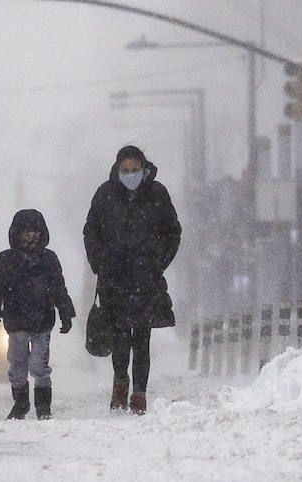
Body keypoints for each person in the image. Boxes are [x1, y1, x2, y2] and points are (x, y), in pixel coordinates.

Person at [83, 145, 181, 415]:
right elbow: (91, 231)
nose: (130, 175)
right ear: (117, 169)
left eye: (134, 170)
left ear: (143, 168)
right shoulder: (105, 194)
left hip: (145, 279)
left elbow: (172, 231)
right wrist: (100, 262)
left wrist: (157, 262)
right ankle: (120, 384)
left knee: (142, 339)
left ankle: (139, 394)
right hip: (114, 279)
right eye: (125, 170)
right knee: (119, 338)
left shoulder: (157, 194)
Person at [0, 208, 76, 420]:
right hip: (16, 322)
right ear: (16, 233)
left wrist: (65, 313)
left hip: (42, 321)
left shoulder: (49, 259)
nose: (30, 236)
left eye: (35, 231)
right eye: (26, 231)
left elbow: (59, 288)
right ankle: (21, 402)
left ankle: (43, 406)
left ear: (42, 233)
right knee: (17, 365)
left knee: (39, 366)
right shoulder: (5, 259)